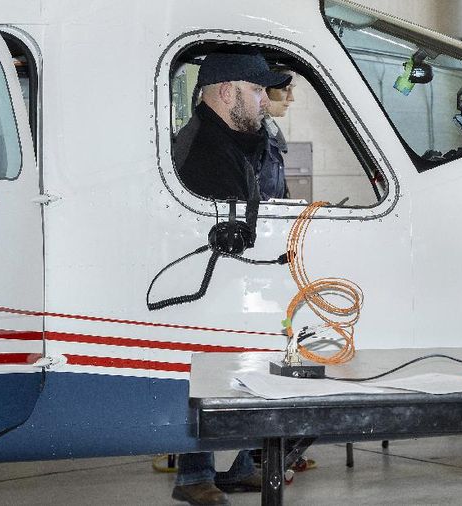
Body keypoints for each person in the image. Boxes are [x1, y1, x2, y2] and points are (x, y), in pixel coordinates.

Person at [171, 50, 291, 506]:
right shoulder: (204, 147)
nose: (265, 99)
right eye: (256, 90)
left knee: (240, 367)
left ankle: (238, 467)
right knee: (209, 370)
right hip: (209, 287)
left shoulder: (229, 139)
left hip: (227, 284)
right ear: (226, 92)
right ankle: (195, 474)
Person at [258, 70, 299, 200]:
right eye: (285, 89)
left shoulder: (270, 131)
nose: (291, 98)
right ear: (264, 88)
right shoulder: (252, 134)